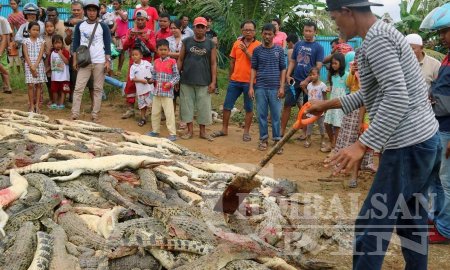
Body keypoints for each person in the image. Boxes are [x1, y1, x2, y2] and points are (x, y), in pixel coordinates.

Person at [308, 1, 441, 269]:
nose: (335, 25)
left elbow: (397, 97)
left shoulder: (377, 40)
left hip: (407, 145)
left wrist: (362, 144)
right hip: (425, 141)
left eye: (335, 18)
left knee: (371, 226)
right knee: (411, 220)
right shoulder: (383, 34)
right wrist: (328, 104)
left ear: (347, 11)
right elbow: (375, 92)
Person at [420, 3, 450, 244]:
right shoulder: (448, 57)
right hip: (439, 125)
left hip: (449, 130)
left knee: (447, 181)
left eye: (445, 31)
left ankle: (446, 229)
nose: (442, 36)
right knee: (437, 179)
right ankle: (437, 216)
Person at [328, 52, 376, 188]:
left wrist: (361, 120)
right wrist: (352, 73)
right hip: (352, 108)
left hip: (364, 112)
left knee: (360, 142)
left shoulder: (371, 74)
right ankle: (345, 169)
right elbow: (349, 85)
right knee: (348, 141)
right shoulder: (353, 72)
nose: (358, 63)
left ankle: (354, 174)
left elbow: (365, 97)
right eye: (356, 60)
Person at [211, 20, 261, 142]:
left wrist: (246, 51)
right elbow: (232, 61)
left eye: (250, 30)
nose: (248, 32)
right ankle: (224, 129)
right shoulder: (236, 43)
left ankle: (246, 132)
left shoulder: (259, 46)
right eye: (245, 30)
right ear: (242, 31)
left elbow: (257, 62)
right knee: (227, 105)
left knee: (249, 108)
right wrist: (230, 76)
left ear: (255, 32)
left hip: (250, 82)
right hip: (235, 80)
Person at [177, 17, 217, 141]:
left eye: (202, 27)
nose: (199, 29)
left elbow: (213, 63)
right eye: (197, 27)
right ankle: (189, 131)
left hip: (204, 81)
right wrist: (177, 77)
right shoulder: (186, 41)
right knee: (187, 106)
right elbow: (180, 59)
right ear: (193, 28)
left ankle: (203, 132)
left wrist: (213, 81)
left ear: (206, 29)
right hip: (186, 79)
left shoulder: (210, 44)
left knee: (203, 107)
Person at [71, 0, 111, 122]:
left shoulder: (103, 26)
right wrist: (74, 60)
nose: (92, 13)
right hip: (84, 61)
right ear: (85, 11)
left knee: (98, 89)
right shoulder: (80, 26)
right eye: (89, 10)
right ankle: (75, 114)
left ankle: (95, 114)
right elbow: (76, 45)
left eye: (94, 10)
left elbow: (107, 45)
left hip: (99, 61)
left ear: (97, 12)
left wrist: (107, 61)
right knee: (78, 88)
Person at [284, 21, 324, 141]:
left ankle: (305, 134)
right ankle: (281, 132)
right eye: (305, 30)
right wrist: (287, 74)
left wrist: (307, 80)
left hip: (310, 85)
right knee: (287, 105)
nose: (307, 33)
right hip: (295, 81)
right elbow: (292, 61)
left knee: (307, 108)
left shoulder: (319, 47)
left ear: (315, 32)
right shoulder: (298, 45)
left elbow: (318, 67)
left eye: (310, 31)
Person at [249, 23, 286, 153]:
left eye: (270, 34)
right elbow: (253, 68)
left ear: (274, 35)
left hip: (275, 88)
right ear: (262, 34)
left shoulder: (279, 50)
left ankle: (277, 140)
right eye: (265, 33)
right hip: (260, 87)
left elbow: (283, 69)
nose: (267, 36)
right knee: (262, 115)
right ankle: (263, 139)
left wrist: (282, 87)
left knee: (276, 115)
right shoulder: (257, 50)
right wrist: (251, 87)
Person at [121, 9, 156, 119]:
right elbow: (125, 47)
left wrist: (147, 40)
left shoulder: (150, 32)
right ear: (135, 20)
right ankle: (130, 109)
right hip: (133, 63)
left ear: (146, 20)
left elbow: (154, 48)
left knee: (146, 85)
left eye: (142, 19)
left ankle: (148, 109)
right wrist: (130, 38)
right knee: (131, 85)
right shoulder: (130, 31)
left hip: (146, 64)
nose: (140, 22)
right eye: (138, 19)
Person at [148, 39, 180, 141]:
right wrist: (151, 80)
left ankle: (172, 134)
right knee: (155, 112)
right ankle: (155, 131)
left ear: (168, 50)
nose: (163, 51)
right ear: (157, 50)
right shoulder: (156, 61)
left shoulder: (172, 61)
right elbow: (154, 75)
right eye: (160, 49)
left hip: (167, 93)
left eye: (165, 49)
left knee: (169, 113)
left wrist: (170, 83)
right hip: (156, 92)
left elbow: (177, 76)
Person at [323, 53, 348, 152]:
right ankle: (332, 142)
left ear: (341, 63)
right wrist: (331, 88)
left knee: (337, 125)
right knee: (327, 123)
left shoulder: (346, 75)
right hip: (332, 101)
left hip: (341, 102)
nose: (333, 65)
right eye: (332, 63)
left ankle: (336, 148)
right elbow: (335, 87)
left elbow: (349, 88)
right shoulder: (333, 76)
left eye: (335, 63)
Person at [23, 21, 46, 113]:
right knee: (30, 85)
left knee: (39, 85)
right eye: (34, 29)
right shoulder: (25, 41)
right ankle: (31, 106)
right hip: (29, 65)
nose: (36, 32)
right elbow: (25, 54)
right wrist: (31, 66)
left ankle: (37, 106)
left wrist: (35, 65)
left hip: (39, 64)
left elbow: (41, 54)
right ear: (29, 30)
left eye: (37, 30)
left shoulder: (41, 41)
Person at [129, 48, 154, 127]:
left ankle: (154, 119)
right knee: (142, 105)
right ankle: (143, 118)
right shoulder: (133, 67)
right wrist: (141, 81)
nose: (134, 56)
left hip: (149, 89)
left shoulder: (146, 63)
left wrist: (152, 79)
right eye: (132, 55)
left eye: (136, 55)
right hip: (140, 90)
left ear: (141, 56)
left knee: (152, 104)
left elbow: (153, 70)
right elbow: (132, 78)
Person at [304, 67, 326, 149]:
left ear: (318, 75)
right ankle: (308, 139)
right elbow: (309, 94)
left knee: (321, 125)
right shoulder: (309, 85)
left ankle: (323, 139)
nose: (312, 76)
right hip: (310, 110)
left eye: (314, 74)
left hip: (319, 110)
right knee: (309, 125)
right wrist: (303, 89)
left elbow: (325, 97)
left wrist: (325, 107)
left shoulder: (322, 85)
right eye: (310, 75)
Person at [49, 34, 70, 109]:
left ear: (62, 43)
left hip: (64, 76)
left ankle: (61, 104)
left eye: (59, 43)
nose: (58, 45)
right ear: (53, 44)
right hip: (55, 76)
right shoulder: (52, 53)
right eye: (55, 43)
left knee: (63, 90)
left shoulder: (65, 52)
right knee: (54, 90)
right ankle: (55, 103)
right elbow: (51, 63)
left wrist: (61, 55)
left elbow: (67, 62)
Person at [110, 0, 128, 76]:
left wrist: (119, 12)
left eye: (116, 4)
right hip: (114, 37)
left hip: (123, 37)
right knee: (112, 53)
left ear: (120, 4)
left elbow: (124, 18)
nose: (114, 5)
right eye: (113, 4)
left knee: (122, 53)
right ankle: (110, 70)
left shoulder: (124, 12)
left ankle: (119, 70)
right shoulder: (111, 14)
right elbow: (112, 25)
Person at [43, 21, 55, 104]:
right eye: (47, 26)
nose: (49, 28)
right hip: (46, 62)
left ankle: (57, 98)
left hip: (56, 63)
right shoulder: (43, 38)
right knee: (49, 82)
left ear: (54, 27)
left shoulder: (57, 37)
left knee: (56, 82)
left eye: (51, 26)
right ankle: (51, 98)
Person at [0, 15, 13, 94]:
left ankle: (7, 86)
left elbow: (6, 36)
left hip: (1, 49)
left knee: (3, 67)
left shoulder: (2, 20)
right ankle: (6, 86)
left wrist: (7, 47)